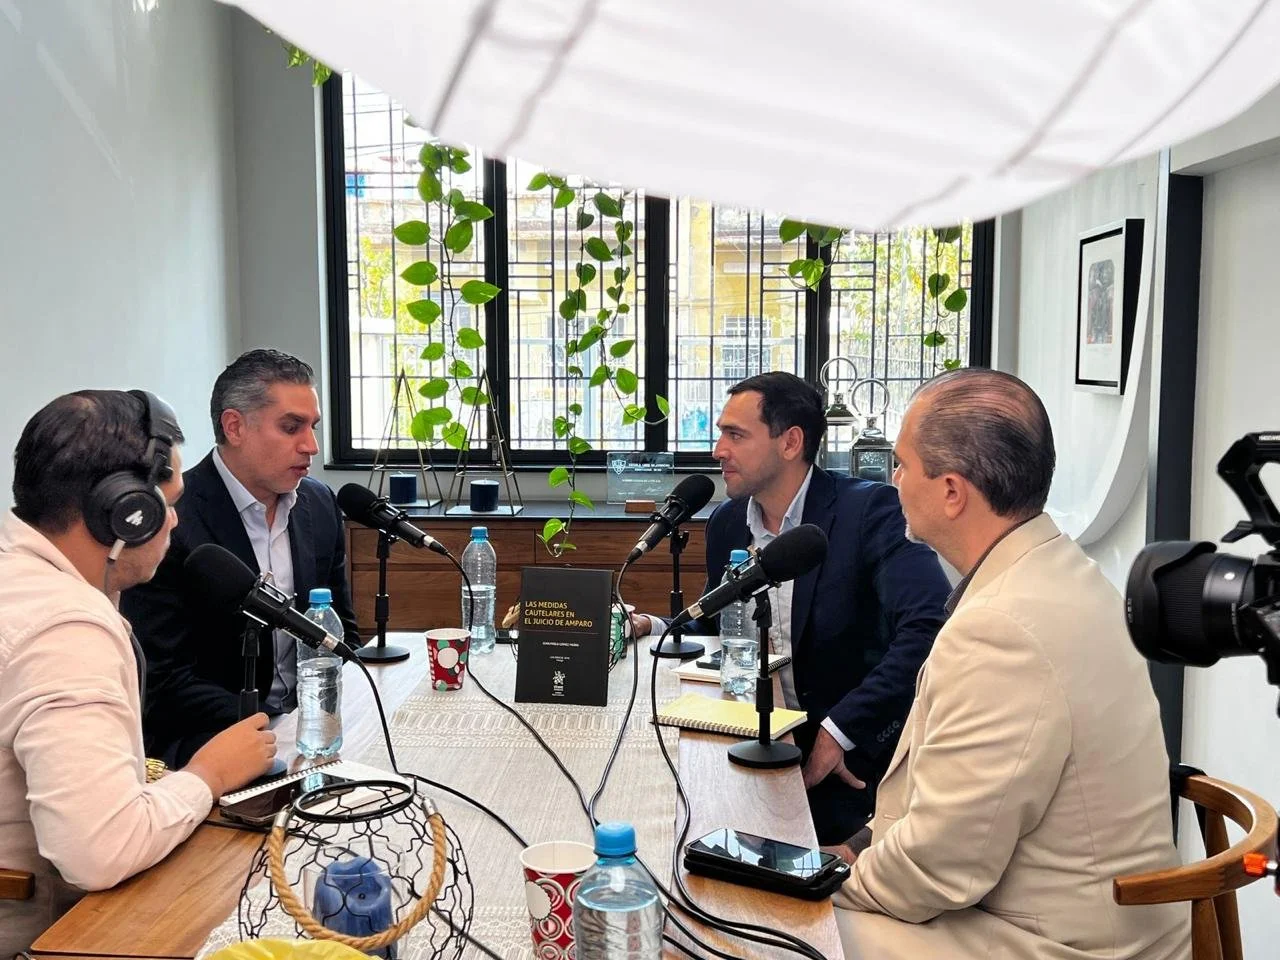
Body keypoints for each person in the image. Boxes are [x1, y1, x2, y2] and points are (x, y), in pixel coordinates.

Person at [833, 368, 1191, 960]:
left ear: (952, 491)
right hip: (1078, 913)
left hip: (1060, 943)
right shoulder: (1064, 570)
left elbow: (937, 871)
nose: (892, 480)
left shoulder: (1003, 629)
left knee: (763, 933)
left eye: (901, 464)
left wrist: (827, 886)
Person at [0, 391, 275, 955]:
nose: (175, 520)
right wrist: (208, 775)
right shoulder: (65, 631)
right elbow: (97, 852)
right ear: (127, 512)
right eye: (166, 504)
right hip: (44, 936)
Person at [634, 372, 950, 844]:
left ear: (791, 442)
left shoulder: (872, 513)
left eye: (735, 435)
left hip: (848, 764)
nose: (719, 450)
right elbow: (718, 618)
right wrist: (656, 625)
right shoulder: (727, 524)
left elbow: (928, 628)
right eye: (721, 434)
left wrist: (840, 730)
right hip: (749, 738)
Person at [122, 350, 359, 767]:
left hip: (316, 727)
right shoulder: (174, 520)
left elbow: (340, 627)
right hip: (212, 744)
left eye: (313, 427)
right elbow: (162, 678)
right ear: (235, 426)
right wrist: (273, 726)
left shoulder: (319, 503)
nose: (312, 446)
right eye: (291, 427)